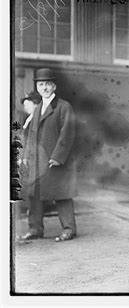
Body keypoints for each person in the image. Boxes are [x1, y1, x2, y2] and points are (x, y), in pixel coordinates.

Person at [18, 68, 78, 242]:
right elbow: (31, 135)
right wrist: (26, 157)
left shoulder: (64, 107)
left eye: (48, 84)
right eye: (41, 84)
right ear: (37, 87)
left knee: (62, 194)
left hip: (56, 160)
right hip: (38, 162)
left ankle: (69, 229)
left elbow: (68, 133)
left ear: (54, 86)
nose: (44, 87)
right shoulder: (38, 109)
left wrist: (58, 156)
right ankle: (35, 229)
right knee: (34, 194)